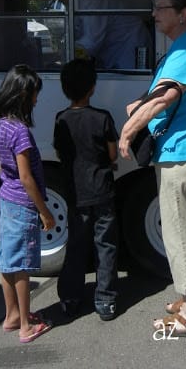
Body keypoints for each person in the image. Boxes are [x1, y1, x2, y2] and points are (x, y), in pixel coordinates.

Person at [119, 0, 186, 337]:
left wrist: (129, 130)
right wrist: (140, 106)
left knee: (179, 233)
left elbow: (164, 98)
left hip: (181, 153)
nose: (154, 14)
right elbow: (161, 94)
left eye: (161, 8)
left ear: (182, 13)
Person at [0, 64, 55, 343]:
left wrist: (8, 181)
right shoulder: (20, 131)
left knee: (7, 261)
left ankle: (12, 316)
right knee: (23, 267)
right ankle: (26, 326)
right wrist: (45, 212)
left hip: (6, 198)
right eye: (34, 95)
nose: (36, 100)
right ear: (22, 95)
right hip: (22, 204)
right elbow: (27, 177)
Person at [53, 58, 119, 321]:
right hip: (102, 190)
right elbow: (113, 154)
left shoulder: (61, 119)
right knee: (106, 245)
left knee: (76, 247)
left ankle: (70, 298)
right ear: (93, 87)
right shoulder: (102, 118)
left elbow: (60, 153)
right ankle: (106, 300)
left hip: (75, 193)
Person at [47, 0, 151, 69]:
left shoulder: (91, 0)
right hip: (113, 50)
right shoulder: (74, 3)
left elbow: (91, 42)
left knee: (130, 82)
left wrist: (69, 52)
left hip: (129, 44)